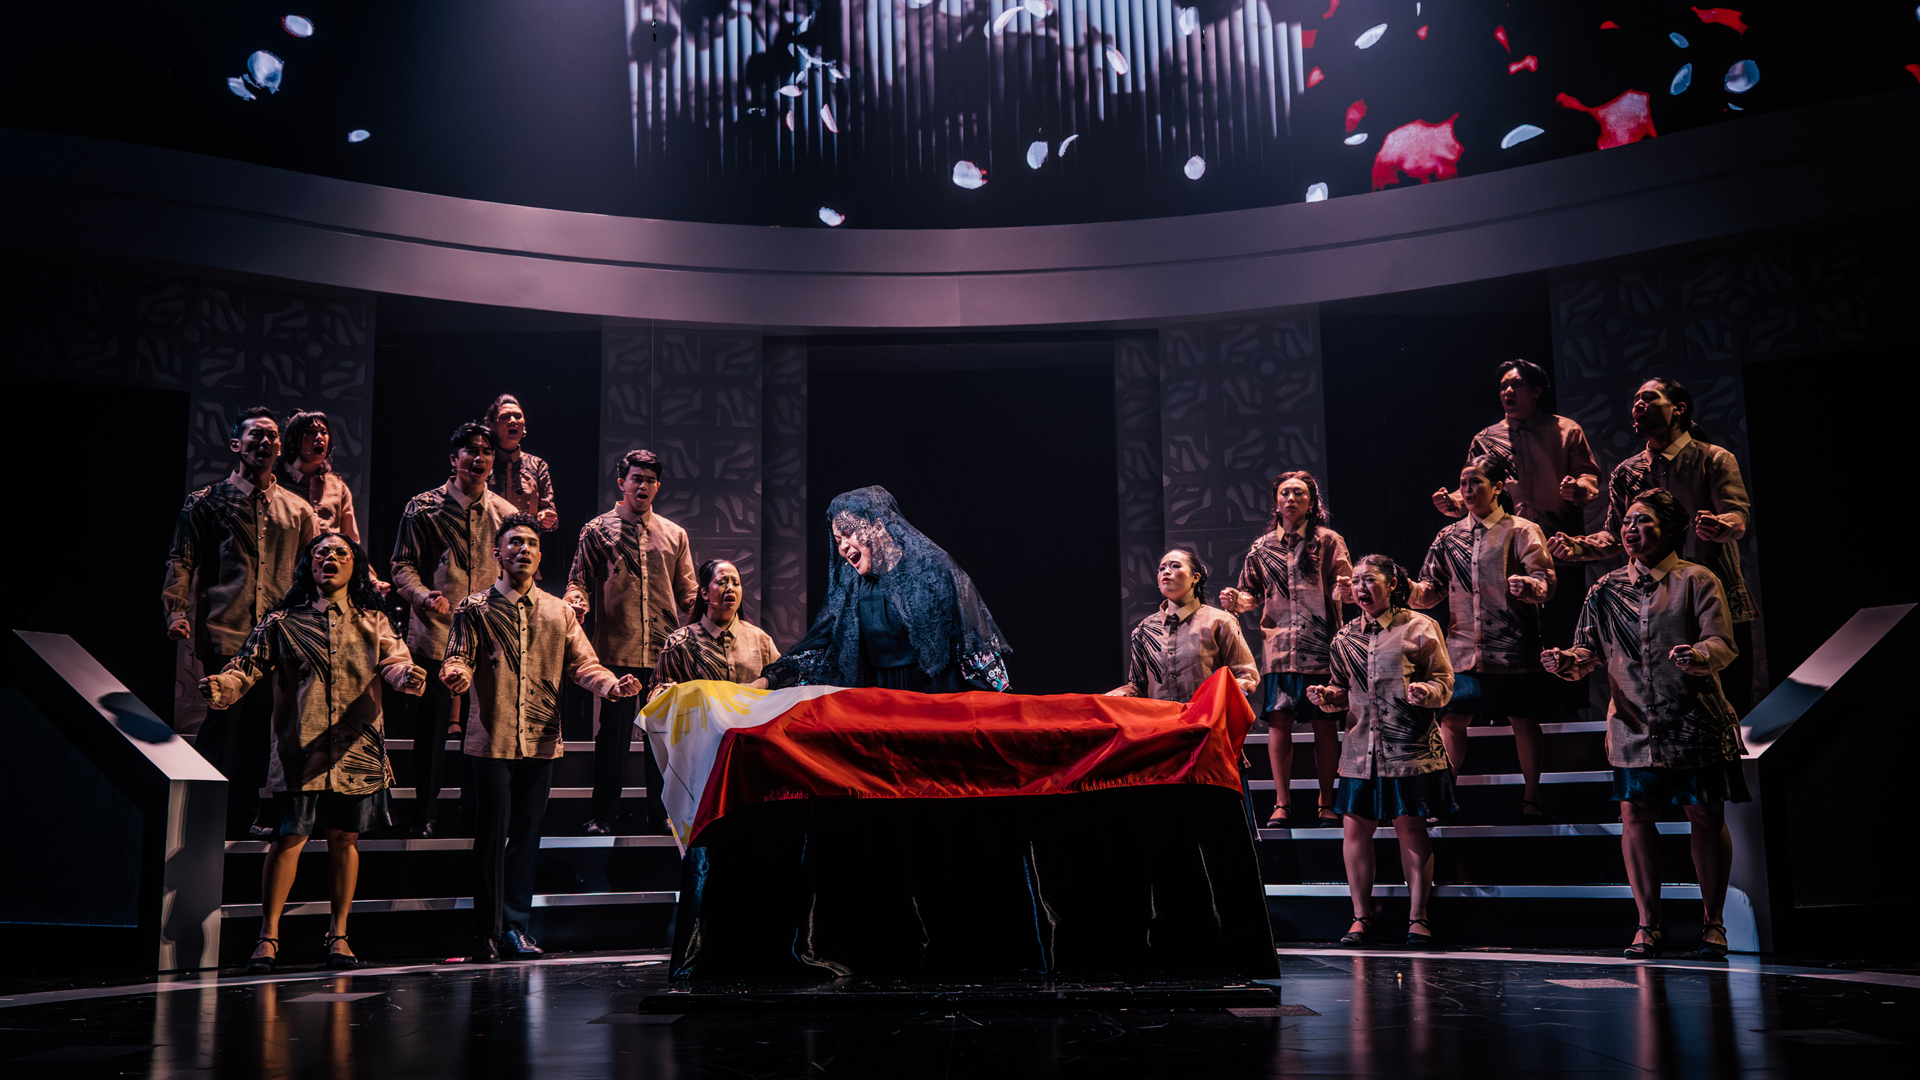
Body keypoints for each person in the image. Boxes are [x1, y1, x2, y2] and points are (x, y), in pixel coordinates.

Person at [201, 533, 426, 973]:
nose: (331, 558)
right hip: (299, 750)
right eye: (322, 552)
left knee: (345, 839)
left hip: (356, 750)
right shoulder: (282, 622)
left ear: (354, 566)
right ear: (309, 564)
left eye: (342, 552)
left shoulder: (373, 621)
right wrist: (222, 687)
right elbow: (244, 669)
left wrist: (407, 676)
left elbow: (396, 661)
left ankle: (338, 935)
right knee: (288, 839)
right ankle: (268, 937)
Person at [1542, 489, 1746, 961]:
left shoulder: (1697, 579)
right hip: (1633, 725)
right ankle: (1648, 924)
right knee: (1634, 816)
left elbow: (1723, 642)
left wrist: (1698, 654)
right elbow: (1587, 650)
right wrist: (1567, 660)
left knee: (1705, 816)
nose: (1630, 529)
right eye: (1627, 521)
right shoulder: (1605, 589)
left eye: (1643, 520)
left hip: (1693, 722)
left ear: (1670, 529)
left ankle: (1713, 923)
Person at [442, 514, 642, 961]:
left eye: (531, 543)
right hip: (492, 738)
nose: (524, 550)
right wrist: (456, 673)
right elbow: (457, 657)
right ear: (498, 553)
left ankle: (515, 928)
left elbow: (584, 665)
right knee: (490, 837)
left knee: (527, 837)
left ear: (539, 554)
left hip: (540, 740)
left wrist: (612, 686)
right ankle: (485, 932)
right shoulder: (474, 608)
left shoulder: (558, 611)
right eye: (515, 542)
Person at [1548, 376, 1758, 713]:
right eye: (1635, 400)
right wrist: (1578, 547)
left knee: (1728, 698)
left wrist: (1722, 524)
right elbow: (1615, 534)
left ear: (1679, 409)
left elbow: (1738, 515)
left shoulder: (1713, 459)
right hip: (1653, 602)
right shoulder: (1627, 471)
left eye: (1648, 398)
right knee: (1660, 696)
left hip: (1712, 590)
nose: (1637, 405)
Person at [163, 405, 320, 838]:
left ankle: (239, 816)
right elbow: (182, 559)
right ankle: (201, 817)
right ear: (237, 444)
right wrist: (176, 610)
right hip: (226, 629)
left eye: (272, 436)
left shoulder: (298, 510)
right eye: (255, 435)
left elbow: (311, 574)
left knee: (257, 728)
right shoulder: (207, 502)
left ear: (280, 447)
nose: (264, 442)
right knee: (222, 723)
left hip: (277, 638)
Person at [1307, 555, 1456, 949]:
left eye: (1369, 579)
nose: (1361, 587)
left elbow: (1444, 680)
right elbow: (1342, 689)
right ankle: (1361, 917)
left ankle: (1419, 917)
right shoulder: (1345, 638)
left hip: (1408, 748)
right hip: (1361, 751)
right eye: (1355, 581)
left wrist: (1427, 691)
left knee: (1410, 828)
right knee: (1355, 829)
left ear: (1392, 584)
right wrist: (1327, 696)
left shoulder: (1420, 626)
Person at [389, 421, 519, 839]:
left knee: (483, 731)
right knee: (432, 731)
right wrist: (422, 595)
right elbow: (402, 565)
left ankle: (471, 813)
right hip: (436, 633)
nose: (479, 458)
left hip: (489, 638)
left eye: (486, 452)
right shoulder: (423, 507)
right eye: (471, 451)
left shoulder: (505, 514)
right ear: (454, 458)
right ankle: (424, 815)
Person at [1409, 455, 1556, 819]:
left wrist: (1529, 585)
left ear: (1498, 487)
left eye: (1476, 482)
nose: (1468, 490)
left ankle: (1532, 797)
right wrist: (1405, 588)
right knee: (1451, 720)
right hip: (1462, 650)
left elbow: (1546, 581)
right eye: (1463, 483)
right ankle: (1445, 798)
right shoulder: (1449, 536)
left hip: (1512, 646)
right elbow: (1430, 590)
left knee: (1523, 718)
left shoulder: (1521, 530)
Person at [563, 449, 697, 835]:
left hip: (664, 654)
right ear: (622, 482)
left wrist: (708, 606)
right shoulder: (597, 530)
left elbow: (688, 592)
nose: (644, 485)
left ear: (658, 486)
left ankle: (661, 815)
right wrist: (576, 600)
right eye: (637, 478)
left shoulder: (674, 534)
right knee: (614, 738)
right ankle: (602, 815)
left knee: (662, 739)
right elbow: (578, 581)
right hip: (618, 649)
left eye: (650, 480)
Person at [762, 486, 1012, 692]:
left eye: (848, 534)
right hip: (879, 701)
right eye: (838, 541)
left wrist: (1002, 698)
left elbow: (972, 640)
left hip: (931, 697)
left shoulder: (933, 571)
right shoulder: (850, 588)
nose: (843, 547)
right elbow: (820, 647)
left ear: (879, 527)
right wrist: (768, 681)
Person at [1217, 471, 1352, 829]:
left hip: (1321, 646)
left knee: (1324, 722)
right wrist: (1237, 600)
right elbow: (1251, 594)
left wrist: (1345, 589)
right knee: (1279, 721)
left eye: (1299, 493)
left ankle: (1326, 802)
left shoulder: (1328, 541)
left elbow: (1345, 588)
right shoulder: (1262, 548)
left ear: (1312, 502)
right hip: (1279, 649)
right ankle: (1282, 803)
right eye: (1285, 493)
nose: (1291, 499)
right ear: (1276, 501)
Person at [1430, 360, 1600, 540]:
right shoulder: (1486, 440)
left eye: (1516, 385)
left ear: (1536, 391)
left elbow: (1589, 476)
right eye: (1503, 387)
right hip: (1506, 544)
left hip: (1560, 542)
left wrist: (1579, 488)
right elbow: (1472, 485)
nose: (1508, 391)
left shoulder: (1566, 430)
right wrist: (1452, 501)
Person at [1110, 548, 1259, 702]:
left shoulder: (1220, 622)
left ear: (1195, 577)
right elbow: (1138, 687)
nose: (1166, 572)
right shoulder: (1144, 630)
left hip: (1206, 716)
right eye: (1161, 569)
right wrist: (1106, 699)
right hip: (1161, 717)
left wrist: (1217, 698)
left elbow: (1246, 675)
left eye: (1175, 566)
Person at [280, 409, 387, 593]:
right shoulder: (276, 483)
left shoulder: (337, 487)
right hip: (287, 585)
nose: (319, 438)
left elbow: (351, 543)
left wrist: (370, 580)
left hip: (326, 586)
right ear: (292, 440)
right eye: (311, 432)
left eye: (323, 432)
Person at [648, 559, 781, 699]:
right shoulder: (680, 642)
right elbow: (656, 696)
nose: (730, 588)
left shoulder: (760, 640)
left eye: (736, 583)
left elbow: (782, 681)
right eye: (722, 582)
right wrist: (667, 692)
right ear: (705, 593)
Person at [484, 394, 558, 530]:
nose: (513, 421)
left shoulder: (537, 465)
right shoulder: (484, 463)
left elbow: (550, 516)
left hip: (526, 540)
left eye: (518, 416)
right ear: (492, 425)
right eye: (505, 417)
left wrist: (547, 517)